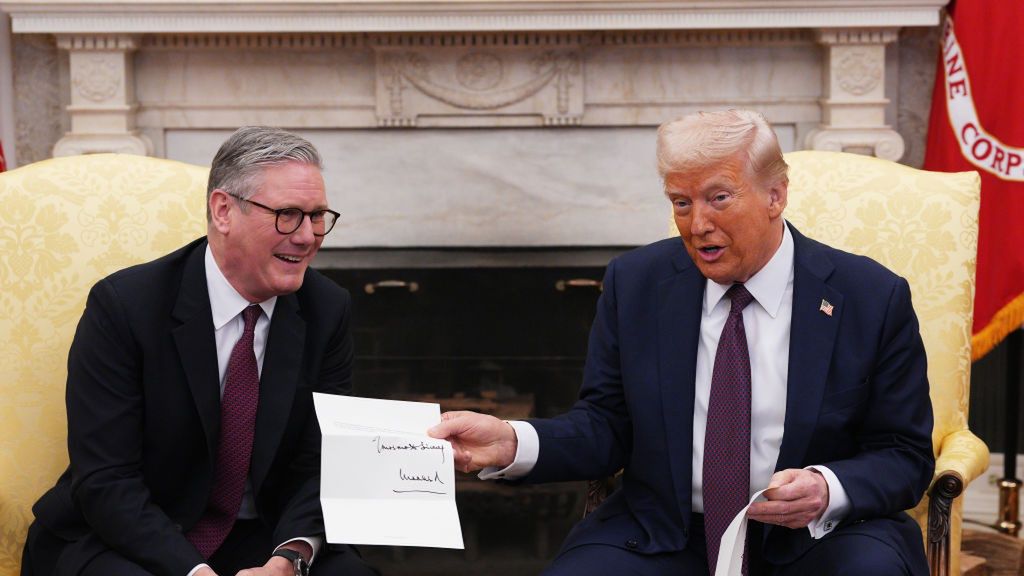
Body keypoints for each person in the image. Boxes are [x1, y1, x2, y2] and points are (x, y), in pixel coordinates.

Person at [429, 110, 935, 575]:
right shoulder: (637, 283)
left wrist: (828, 489)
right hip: (667, 533)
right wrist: (512, 443)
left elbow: (904, 454)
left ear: (775, 195)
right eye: (681, 202)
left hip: (817, 536)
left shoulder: (869, 296)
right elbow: (606, 425)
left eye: (719, 197)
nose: (697, 225)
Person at [21, 127, 378, 576]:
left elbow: (323, 462)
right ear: (223, 210)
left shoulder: (327, 310)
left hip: (263, 537)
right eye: (288, 215)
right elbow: (106, 479)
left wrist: (289, 558)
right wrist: (192, 572)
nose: (308, 236)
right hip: (128, 535)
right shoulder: (125, 307)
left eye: (317, 216)